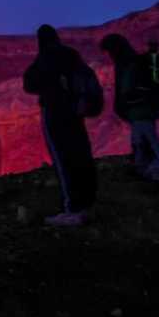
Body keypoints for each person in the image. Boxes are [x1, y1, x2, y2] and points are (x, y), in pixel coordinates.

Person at [23, 24, 98, 226]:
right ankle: (88, 205)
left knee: (63, 160)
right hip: (76, 113)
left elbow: (29, 84)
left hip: (56, 113)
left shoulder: (46, 56)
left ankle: (72, 209)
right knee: (81, 154)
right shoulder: (73, 55)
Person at [99, 33, 159, 183]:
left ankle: (155, 173)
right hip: (143, 109)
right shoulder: (135, 61)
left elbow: (125, 90)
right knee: (141, 142)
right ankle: (152, 177)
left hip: (139, 110)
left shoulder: (128, 63)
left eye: (110, 51)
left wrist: (123, 106)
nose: (109, 55)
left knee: (149, 143)